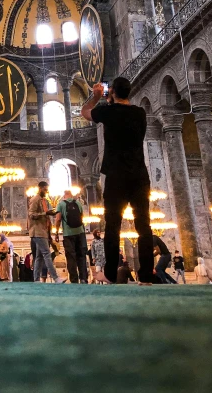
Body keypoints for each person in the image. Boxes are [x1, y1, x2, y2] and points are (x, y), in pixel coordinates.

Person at [82, 78, 154, 285]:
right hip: (139, 175)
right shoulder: (139, 113)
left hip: (116, 176)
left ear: (112, 92)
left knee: (113, 226)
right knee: (144, 225)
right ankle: (147, 276)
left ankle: (111, 274)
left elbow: (85, 112)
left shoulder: (107, 111)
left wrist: (96, 97)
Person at [28, 180, 65, 284]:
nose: (46, 191)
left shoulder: (43, 200)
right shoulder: (35, 199)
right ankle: (56, 278)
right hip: (37, 231)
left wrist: (50, 213)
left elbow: (43, 215)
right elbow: (31, 214)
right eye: (45, 189)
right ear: (40, 188)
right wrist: (45, 213)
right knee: (47, 254)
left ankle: (36, 279)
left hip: (43, 231)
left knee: (39, 256)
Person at [55, 190, 88, 284]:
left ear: (64, 195)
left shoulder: (61, 204)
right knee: (81, 256)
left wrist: (56, 232)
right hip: (80, 232)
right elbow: (82, 217)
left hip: (68, 234)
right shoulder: (78, 203)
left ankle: (74, 280)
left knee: (71, 257)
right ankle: (83, 278)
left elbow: (58, 219)